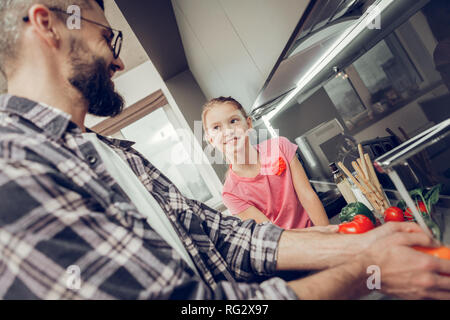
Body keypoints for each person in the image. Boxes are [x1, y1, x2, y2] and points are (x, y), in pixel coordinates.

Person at [1, 0, 450, 300]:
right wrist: (365, 268)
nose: (118, 60)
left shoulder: (116, 154)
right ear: (47, 25)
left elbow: (227, 238)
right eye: (108, 39)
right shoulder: (14, 168)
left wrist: (361, 240)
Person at [202, 97, 329, 229]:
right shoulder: (231, 194)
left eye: (234, 121)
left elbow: (307, 196)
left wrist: (327, 237)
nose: (227, 131)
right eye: (216, 127)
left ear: (249, 124)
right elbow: (273, 233)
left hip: (317, 232)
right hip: (287, 247)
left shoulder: (279, 146)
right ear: (211, 139)